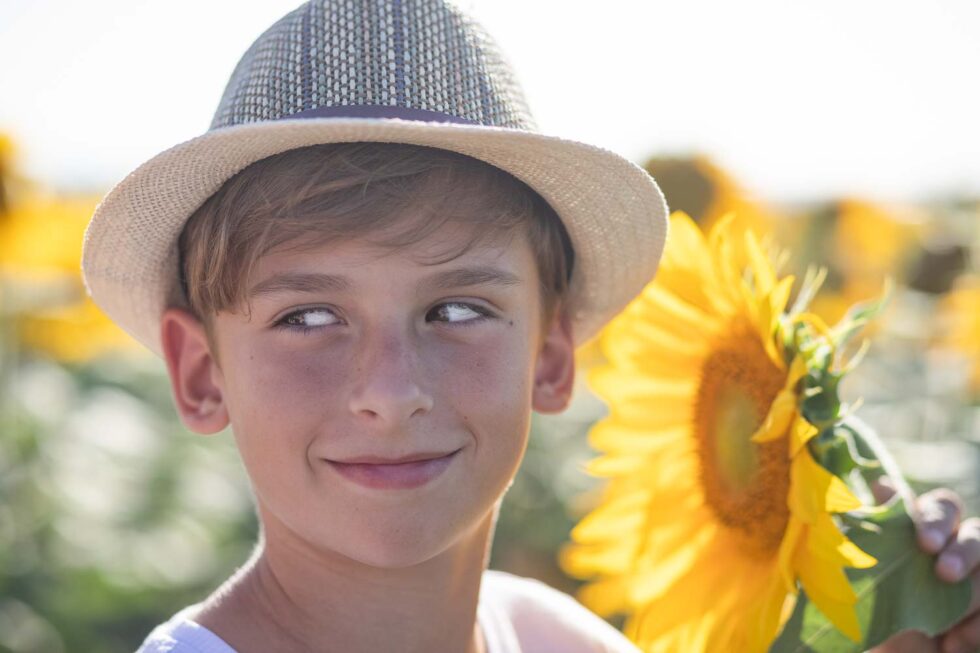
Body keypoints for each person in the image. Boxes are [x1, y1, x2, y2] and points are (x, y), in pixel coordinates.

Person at [79, 1, 980, 651]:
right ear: (201, 373)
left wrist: (890, 620)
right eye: (308, 315)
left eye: (458, 309)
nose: (392, 392)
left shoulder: (546, 632)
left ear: (552, 355)